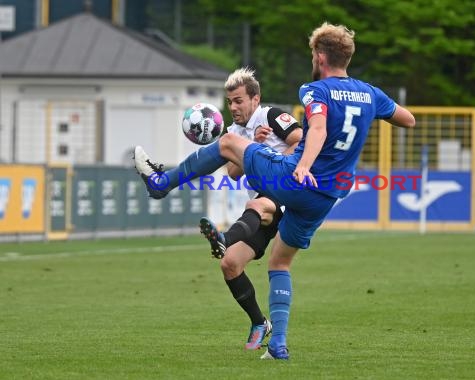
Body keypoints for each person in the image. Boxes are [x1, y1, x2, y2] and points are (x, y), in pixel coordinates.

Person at [137, 22, 415, 360]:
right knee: (280, 262)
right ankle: (278, 345)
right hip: (325, 197)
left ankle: (161, 183)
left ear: (319, 55)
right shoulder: (370, 93)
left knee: (226, 141)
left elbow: (318, 129)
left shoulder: (316, 91)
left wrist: (303, 164)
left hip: (295, 178)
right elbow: (408, 119)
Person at [134, 67, 302, 351]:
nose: (233, 107)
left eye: (238, 100)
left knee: (258, 205)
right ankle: (260, 322)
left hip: (286, 190)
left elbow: (300, 142)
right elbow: (234, 173)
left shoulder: (271, 116)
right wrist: (253, 146)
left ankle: (221, 236)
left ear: (255, 98)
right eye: (230, 102)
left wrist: (269, 158)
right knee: (230, 265)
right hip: (263, 201)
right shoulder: (234, 132)